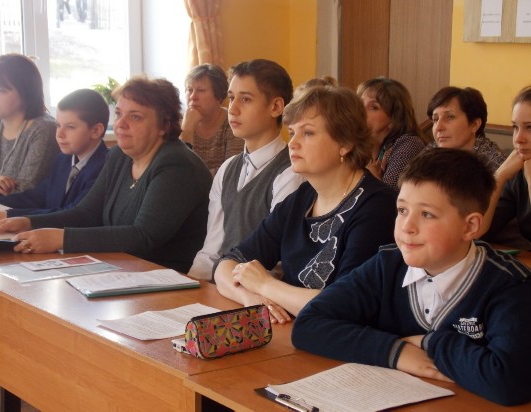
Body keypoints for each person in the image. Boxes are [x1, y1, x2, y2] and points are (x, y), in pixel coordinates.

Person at [292, 148, 531, 406]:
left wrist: (431, 342)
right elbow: (309, 324)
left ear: (470, 226)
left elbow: (511, 382)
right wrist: (396, 352)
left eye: (426, 214)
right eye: (402, 210)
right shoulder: (386, 265)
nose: (407, 227)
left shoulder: (509, 284)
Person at [0, 76, 213, 273]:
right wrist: (27, 222)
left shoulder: (176, 165)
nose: (120, 124)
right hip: (121, 270)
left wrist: (60, 238)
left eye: (135, 117)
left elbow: (143, 237)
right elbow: (87, 213)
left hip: (168, 278)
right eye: (119, 114)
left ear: (164, 125)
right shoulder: (118, 156)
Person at [214, 85, 397, 324]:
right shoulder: (303, 196)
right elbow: (227, 264)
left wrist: (265, 285)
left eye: (308, 133)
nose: (293, 143)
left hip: (339, 340)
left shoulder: (377, 207)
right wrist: (251, 299)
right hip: (293, 329)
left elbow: (343, 307)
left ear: (345, 143)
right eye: (292, 132)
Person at [187, 59, 305, 280]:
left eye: (246, 99)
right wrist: (190, 287)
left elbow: (278, 264)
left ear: (276, 107)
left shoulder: (292, 173)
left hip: (258, 291)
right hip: (221, 285)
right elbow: (211, 252)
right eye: (231, 98)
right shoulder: (227, 169)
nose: (233, 109)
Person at [0, 89, 109, 229]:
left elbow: (73, 215)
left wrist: (7, 215)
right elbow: (33, 198)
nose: (59, 134)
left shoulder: (106, 166)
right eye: (58, 125)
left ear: (96, 131)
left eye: (70, 127)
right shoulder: (63, 160)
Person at [0, 53, 59, 195]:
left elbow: (26, 192)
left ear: (26, 93)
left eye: (1, 90)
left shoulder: (43, 129)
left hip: (18, 209)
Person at [357, 77, 429, 188]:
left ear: (394, 118)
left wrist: (370, 178)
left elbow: (390, 196)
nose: (361, 111)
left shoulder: (409, 144)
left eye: (374, 107)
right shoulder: (359, 144)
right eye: (360, 103)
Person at [481, 86, 531, 244]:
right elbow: (478, 232)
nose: (518, 139)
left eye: (530, 127)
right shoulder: (519, 171)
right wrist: (499, 177)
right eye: (515, 127)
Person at [180, 64, 244, 175]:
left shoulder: (233, 122)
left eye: (201, 90)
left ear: (219, 95)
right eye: (189, 90)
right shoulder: (178, 122)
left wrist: (191, 175)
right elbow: (175, 169)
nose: (192, 96)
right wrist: (186, 131)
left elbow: (230, 173)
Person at [427, 86, 505, 169]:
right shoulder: (431, 151)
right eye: (435, 119)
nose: (438, 127)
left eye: (450, 117)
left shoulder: (493, 162)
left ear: (474, 125)